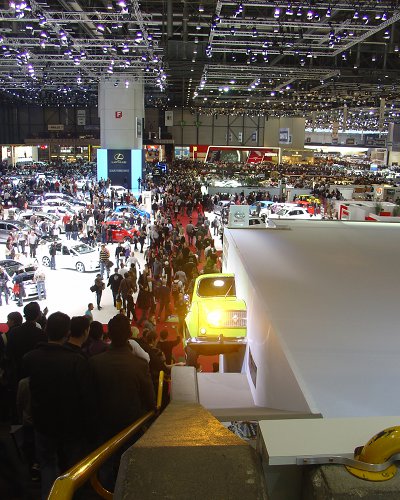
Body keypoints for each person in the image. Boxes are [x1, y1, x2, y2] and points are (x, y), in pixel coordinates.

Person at [22, 312, 90, 500]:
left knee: (48, 466)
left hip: (43, 424)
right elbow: (86, 395)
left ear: (45, 330)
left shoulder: (30, 358)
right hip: (72, 426)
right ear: (68, 333)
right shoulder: (76, 361)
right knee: (74, 469)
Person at [88, 314, 155, 442]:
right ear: (129, 335)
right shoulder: (140, 365)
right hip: (132, 427)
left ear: (109, 335)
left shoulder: (94, 362)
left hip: (103, 427)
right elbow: (150, 400)